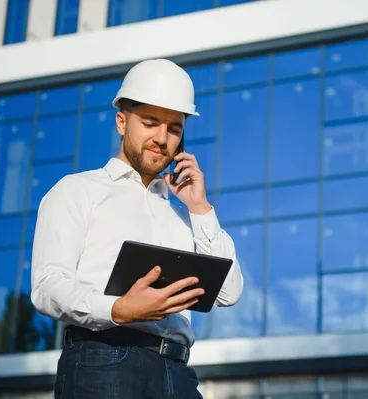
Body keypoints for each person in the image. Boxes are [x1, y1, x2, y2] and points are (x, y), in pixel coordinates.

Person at [30, 58, 244, 398]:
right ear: (121, 121)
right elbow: (47, 286)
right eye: (149, 123)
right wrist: (118, 309)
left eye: (174, 128)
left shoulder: (185, 214)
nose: (162, 138)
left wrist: (201, 208)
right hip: (102, 362)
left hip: (178, 373)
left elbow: (228, 293)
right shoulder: (77, 190)